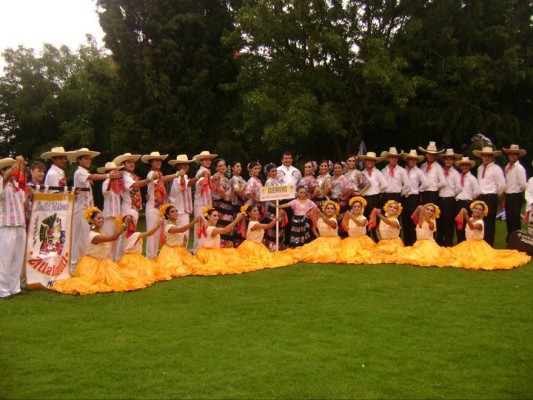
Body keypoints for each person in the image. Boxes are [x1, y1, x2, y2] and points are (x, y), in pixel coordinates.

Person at [52, 207, 148, 295]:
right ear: (92, 221)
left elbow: (113, 236)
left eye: (102, 218)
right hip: (92, 265)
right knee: (90, 283)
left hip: (103, 262)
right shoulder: (94, 236)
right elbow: (113, 238)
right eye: (98, 218)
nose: (101, 220)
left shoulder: (101, 232)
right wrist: (124, 224)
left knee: (120, 278)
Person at [450, 201, 530, 270]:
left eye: (480, 209)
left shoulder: (480, 223)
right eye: (476, 208)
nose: (477, 210)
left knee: (477, 260)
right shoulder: (471, 219)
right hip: (467, 244)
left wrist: (466, 216)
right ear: (473, 209)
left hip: (477, 246)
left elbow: (472, 227)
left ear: (482, 212)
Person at [68, 148, 112, 272]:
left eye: (89, 158)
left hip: (87, 210)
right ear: (79, 160)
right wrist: (108, 175)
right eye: (85, 158)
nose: (88, 161)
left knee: (85, 238)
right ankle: (74, 267)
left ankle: (82, 265)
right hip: (81, 210)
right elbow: (92, 176)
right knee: (80, 239)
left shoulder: (84, 173)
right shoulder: (79, 172)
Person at [113, 152, 152, 259]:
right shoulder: (124, 176)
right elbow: (136, 185)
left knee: (128, 235)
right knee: (125, 235)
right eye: (129, 162)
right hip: (128, 207)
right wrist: (150, 179)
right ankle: (119, 259)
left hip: (132, 207)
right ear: (123, 165)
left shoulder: (131, 176)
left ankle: (124, 257)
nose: (132, 164)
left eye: (132, 162)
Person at [0, 157, 27, 299]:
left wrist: (22, 174)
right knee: (5, 258)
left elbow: (24, 203)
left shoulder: (17, 185)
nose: (13, 171)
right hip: (6, 224)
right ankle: (2, 289)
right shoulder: (2, 183)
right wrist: (14, 168)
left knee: (17, 258)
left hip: (19, 223)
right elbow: (3, 180)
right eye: (8, 168)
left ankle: (14, 287)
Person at [194, 208, 251, 275]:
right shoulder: (210, 229)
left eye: (218, 216)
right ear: (208, 216)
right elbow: (225, 230)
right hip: (210, 254)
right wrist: (236, 220)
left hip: (211, 251)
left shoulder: (208, 227)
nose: (217, 217)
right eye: (214, 215)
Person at [236, 205, 296, 269]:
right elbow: (268, 226)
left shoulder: (255, 222)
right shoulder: (255, 224)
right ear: (249, 213)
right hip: (252, 247)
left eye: (257, 210)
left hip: (256, 245)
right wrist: (278, 216)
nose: (257, 212)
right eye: (254, 211)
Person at [116, 209, 161, 285]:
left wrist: (126, 222)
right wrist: (157, 226)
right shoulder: (136, 235)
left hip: (125, 259)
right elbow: (149, 233)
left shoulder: (123, 233)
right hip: (136, 259)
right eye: (134, 221)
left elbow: (123, 227)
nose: (135, 223)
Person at [472, 146, 505, 246]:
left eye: (489, 156)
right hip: (480, 197)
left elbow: (502, 185)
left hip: (490, 197)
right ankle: (480, 243)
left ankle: (489, 244)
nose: (486, 158)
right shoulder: (480, 168)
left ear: (492, 157)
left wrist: (494, 195)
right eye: (484, 156)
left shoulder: (496, 169)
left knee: (489, 222)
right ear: (481, 156)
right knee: (480, 221)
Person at [141, 151, 171, 258]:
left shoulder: (159, 174)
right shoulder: (152, 174)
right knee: (152, 234)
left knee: (157, 234)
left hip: (159, 207)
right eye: (156, 160)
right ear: (151, 162)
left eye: (160, 160)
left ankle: (154, 256)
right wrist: (176, 175)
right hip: (152, 207)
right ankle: (150, 256)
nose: (159, 162)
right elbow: (161, 179)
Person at [157, 204, 201, 278]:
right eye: (172, 212)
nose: (176, 213)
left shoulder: (177, 226)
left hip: (180, 250)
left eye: (176, 211)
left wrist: (183, 246)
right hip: (170, 251)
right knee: (176, 269)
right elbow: (182, 230)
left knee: (194, 265)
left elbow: (183, 236)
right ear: (168, 215)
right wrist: (194, 222)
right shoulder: (168, 227)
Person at [167, 154, 197, 249]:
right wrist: (199, 176)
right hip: (179, 212)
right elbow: (189, 184)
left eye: (187, 164)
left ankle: (182, 254)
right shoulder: (177, 179)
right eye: (183, 165)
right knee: (181, 236)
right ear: (178, 166)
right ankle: (179, 255)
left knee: (184, 236)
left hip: (184, 211)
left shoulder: (185, 177)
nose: (186, 166)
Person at [400, 150, 428, 246]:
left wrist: (417, 189)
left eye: (414, 160)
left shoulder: (418, 171)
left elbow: (425, 183)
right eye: (411, 159)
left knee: (413, 220)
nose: (412, 161)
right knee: (404, 219)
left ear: (416, 161)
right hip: (404, 197)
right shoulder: (403, 170)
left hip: (413, 197)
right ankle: (406, 242)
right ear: (408, 160)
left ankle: (413, 242)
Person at [99, 161, 125, 262]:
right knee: (108, 239)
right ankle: (107, 261)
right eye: (112, 171)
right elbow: (106, 191)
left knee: (115, 240)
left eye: (115, 170)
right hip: (109, 215)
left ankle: (112, 261)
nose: (115, 172)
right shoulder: (106, 182)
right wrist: (110, 179)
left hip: (117, 215)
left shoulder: (118, 185)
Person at [338, 196, 376, 264]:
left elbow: (360, 224)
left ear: (361, 208)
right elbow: (345, 226)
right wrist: (345, 218)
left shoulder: (363, 218)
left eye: (358, 206)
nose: (356, 208)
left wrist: (351, 217)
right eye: (355, 206)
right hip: (351, 239)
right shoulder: (349, 217)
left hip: (361, 240)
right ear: (352, 208)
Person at [358, 151, 387, 240]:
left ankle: (377, 240)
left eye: (372, 161)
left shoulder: (378, 173)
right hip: (364, 199)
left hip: (374, 198)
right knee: (365, 219)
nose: (370, 162)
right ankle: (366, 240)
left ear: (374, 162)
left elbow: (385, 185)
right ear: (365, 161)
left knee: (375, 220)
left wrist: (378, 191)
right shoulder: (362, 173)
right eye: (368, 160)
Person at [192, 150, 218, 250]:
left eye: (209, 160)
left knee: (206, 226)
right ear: (201, 161)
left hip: (206, 203)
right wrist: (211, 178)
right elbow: (199, 183)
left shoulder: (207, 171)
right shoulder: (201, 172)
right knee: (200, 226)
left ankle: (204, 247)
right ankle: (198, 249)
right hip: (201, 203)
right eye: (205, 160)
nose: (208, 161)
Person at [436, 149, 462, 247]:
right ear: (444, 160)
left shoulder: (455, 173)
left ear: (453, 161)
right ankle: (439, 242)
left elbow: (459, 187)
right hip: (440, 198)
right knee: (440, 221)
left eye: (450, 159)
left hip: (449, 199)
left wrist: (451, 194)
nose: (448, 161)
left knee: (448, 222)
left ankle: (448, 243)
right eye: (447, 159)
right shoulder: (440, 170)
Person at [502, 144, 527, 241]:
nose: (512, 155)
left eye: (515, 154)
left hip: (515, 196)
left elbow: (523, 185)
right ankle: (511, 239)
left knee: (515, 220)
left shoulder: (519, 168)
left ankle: (516, 241)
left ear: (518, 156)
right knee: (509, 220)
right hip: (508, 196)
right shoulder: (507, 166)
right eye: (510, 154)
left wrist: (516, 192)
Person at [454, 157, 480, 243]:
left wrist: (469, 199)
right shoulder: (458, 177)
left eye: (466, 165)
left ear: (469, 167)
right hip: (458, 203)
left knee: (466, 225)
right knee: (458, 224)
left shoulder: (472, 178)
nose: (464, 167)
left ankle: (466, 243)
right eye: (463, 165)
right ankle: (459, 243)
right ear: (460, 166)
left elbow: (477, 192)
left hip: (467, 203)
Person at [330, 161, 353, 237]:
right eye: (335, 168)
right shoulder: (331, 178)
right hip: (333, 201)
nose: (337, 169)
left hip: (341, 202)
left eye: (339, 168)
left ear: (342, 169)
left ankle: (343, 237)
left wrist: (345, 197)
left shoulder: (344, 178)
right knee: (334, 219)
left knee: (342, 219)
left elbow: (352, 189)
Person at [228, 161, 247, 247]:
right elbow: (236, 190)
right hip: (237, 203)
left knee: (242, 223)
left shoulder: (241, 179)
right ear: (232, 168)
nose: (239, 168)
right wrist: (244, 197)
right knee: (237, 223)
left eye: (240, 166)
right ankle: (236, 244)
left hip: (242, 203)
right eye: (237, 166)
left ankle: (240, 243)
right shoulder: (233, 179)